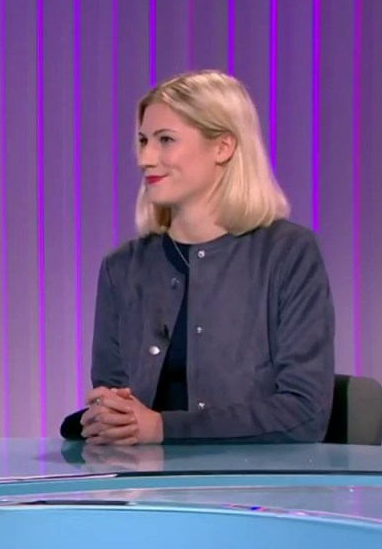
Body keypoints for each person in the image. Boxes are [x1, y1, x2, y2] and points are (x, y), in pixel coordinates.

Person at [60, 69, 335, 445]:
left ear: (223, 147)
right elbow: (115, 402)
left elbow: (305, 414)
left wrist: (162, 429)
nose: (145, 158)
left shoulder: (288, 254)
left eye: (165, 140)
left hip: (251, 492)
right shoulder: (121, 268)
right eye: (143, 141)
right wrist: (104, 419)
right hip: (144, 492)